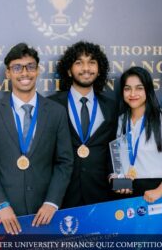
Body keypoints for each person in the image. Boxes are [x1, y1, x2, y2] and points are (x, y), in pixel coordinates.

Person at [0, 43, 74, 235]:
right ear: (8, 73)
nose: (24, 73)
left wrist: (51, 202)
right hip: (4, 216)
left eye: (30, 67)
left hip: (46, 214)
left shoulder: (56, 112)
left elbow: (65, 162)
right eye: (17, 67)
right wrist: (1, 204)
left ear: (37, 70)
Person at [49, 41, 118, 208]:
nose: (86, 68)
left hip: (101, 194)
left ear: (99, 69)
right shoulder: (51, 105)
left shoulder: (112, 106)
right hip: (61, 196)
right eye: (79, 63)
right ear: (69, 70)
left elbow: (114, 148)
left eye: (92, 62)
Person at [113, 67, 162, 203]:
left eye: (139, 88)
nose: (133, 93)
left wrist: (161, 189)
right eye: (127, 88)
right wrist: (119, 181)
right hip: (127, 194)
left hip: (157, 193)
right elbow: (118, 160)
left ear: (148, 90)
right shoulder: (120, 121)